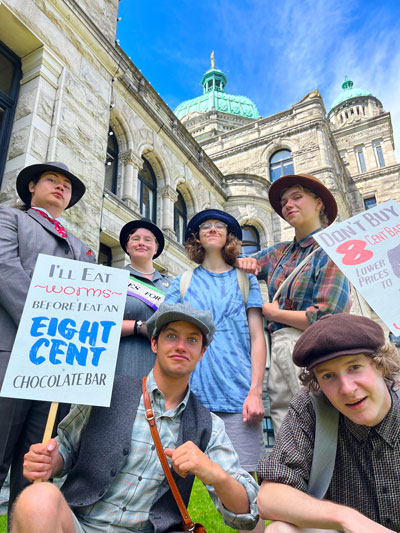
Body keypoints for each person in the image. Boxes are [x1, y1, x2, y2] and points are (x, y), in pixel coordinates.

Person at [13, 302, 259, 533]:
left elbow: (245, 513)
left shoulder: (209, 426)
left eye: (192, 340)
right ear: (154, 343)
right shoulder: (105, 391)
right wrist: (50, 460)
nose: (181, 346)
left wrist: (214, 473)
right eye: (171, 336)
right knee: (36, 498)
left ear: (202, 352)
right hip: (79, 524)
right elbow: (65, 449)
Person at [0, 161, 96, 514]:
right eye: (52, 180)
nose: (60, 187)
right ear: (31, 187)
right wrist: (46, 324)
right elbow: (4, 269)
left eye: (66, 185)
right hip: (10, 355)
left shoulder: (84, 247)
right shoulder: (8, 218)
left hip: (58, 369)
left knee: (35, 471)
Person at [164, 209, 266, 533]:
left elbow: (257, 336)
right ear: (195, 237)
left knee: (246, 489)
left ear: (229, 236)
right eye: (203, 226)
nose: (211, 229)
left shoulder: (245, 279)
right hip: (188, 399)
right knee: (165, 485)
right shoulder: (182, 281)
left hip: (238, 398)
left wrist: (255, 391)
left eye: (218, 225)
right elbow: (163, 334)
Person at [257, 313, 400, 532]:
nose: (347, 389)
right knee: (280, 529)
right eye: (328, 376)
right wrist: (345, 517)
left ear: (380, 365)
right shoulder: (313, 406)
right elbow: (269, 496)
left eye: (354, 367)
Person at [238, 173, 351, 433]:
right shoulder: (278, 252)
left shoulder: (331, 249)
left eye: (297, 197)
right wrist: (241, 261)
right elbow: (235, 261)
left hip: (313, 347)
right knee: (284, 424)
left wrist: (274, 314)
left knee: (315, 423)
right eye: (284, 201)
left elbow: (328, 315)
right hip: (278, 346)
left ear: (318, 203)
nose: (288, 205)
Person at [116, 218, 171, 377]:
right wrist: (138, 326)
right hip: (124, 367)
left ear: (156, 248)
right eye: (135, 239)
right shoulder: (113, 279)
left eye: (148, 240)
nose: (141, 243)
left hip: (165, 371)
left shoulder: (173, 285)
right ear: (127, 246)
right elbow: (98, 324)